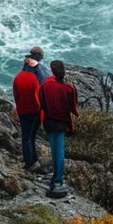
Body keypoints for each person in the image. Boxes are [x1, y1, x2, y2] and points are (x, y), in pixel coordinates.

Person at [38, 60, 79, 196]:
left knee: (54, 150)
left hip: (49, 121)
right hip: (62, 122)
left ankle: (55, 178)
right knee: (60, 152)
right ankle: (58, 180)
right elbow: (73, 109)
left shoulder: (45, 87)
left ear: (53, 72)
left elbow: (42, 105)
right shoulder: (69, 88)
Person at [13, 55, 42, 169]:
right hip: (34, 110)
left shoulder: (17, 78)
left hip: (22, 110)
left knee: (25, 136)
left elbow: (16, 96)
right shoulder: (34, 78)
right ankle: (32, 160)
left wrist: (19, 106)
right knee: (32, 135)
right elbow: (37, 95)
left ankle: (28, 160)